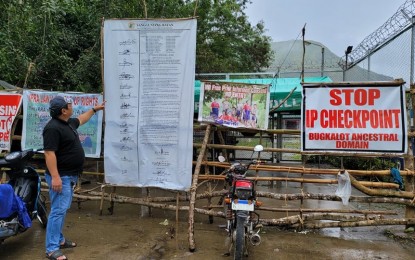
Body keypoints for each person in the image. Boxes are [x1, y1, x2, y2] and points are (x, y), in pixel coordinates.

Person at [43, 95, 105, 260]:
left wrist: (94, 110)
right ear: (63, 111)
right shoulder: (52, 128)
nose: (72, 106)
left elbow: (82, 119)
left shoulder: (68, 123)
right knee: (57, 211)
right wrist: (55, 177)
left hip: (69, 176)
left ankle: (60, 240)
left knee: (62, 210)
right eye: (70, 105)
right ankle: (51, 248)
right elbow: (49, 153)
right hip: (61, 177)